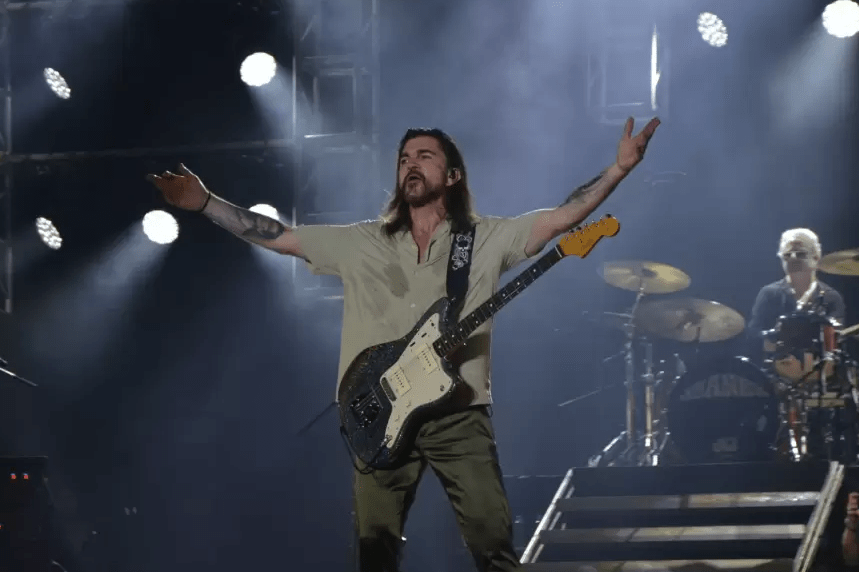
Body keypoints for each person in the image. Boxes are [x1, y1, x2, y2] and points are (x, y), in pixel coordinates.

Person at [145, 117, 660, 571]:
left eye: (425, 156)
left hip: (459, 413)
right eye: (404, 158)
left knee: (492, 546)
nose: (410, 164)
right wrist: (206, 203)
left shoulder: (484, 238)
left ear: (452, 176)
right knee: (375, 554)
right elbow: (278, 235)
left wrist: (617, 170)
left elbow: (563, 216)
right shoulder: (361, 241)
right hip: (373, 411)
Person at [747, 228, 852, 462]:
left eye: (800, 254)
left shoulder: (830, 296)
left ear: (816, 258)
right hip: (779, 370)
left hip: (821, 370)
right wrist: (773, 338)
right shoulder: (770, 294)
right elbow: (752, 333)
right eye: (787, 255)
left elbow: (836, 338)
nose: (793, 259)